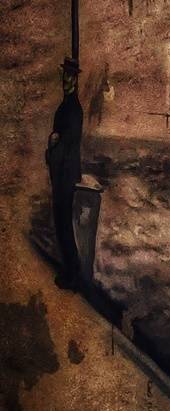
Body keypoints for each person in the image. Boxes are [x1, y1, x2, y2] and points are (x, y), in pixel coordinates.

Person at [45, 58, 83, 288]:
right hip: (61, 172)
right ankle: (70, 270)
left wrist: (53, 145)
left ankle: (72, 273)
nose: (65, 80)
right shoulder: (66, 105)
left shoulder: (73, 109)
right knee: (61, 223)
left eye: (70, 76)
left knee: (64, 224)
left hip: (65, 174)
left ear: (75, 79)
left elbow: (68, 143)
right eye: (64, 75)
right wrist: (53, 145)